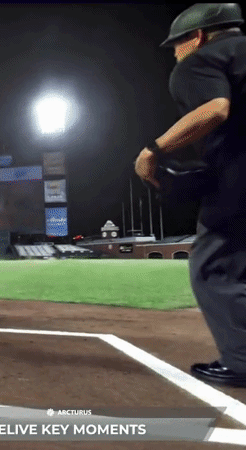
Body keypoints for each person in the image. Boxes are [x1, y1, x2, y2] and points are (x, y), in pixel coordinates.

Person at [135, 3, 246, 387]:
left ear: (197, 36)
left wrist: (153, 150)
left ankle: (242, 362)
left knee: (213, 267)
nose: (175, 54)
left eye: (177, 44)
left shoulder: (200, 60)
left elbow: (215, 109)